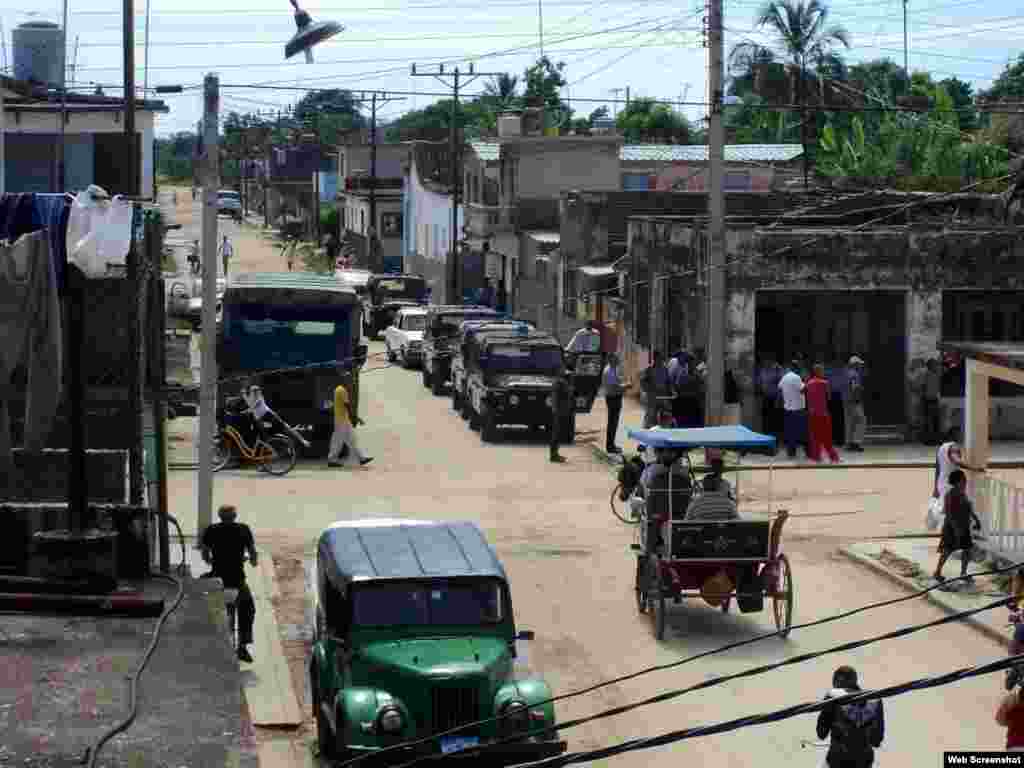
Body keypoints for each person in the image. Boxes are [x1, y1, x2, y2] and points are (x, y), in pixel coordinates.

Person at [200, 505, 258, 663]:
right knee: (248, 609)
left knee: (215, 611)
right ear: (235, 516)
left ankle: (217, 644)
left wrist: (213, 560)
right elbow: (253, 554)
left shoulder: (211, 530)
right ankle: (243, 646)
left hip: (218, 580)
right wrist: (251, 560)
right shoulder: (244, 529)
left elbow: (205, 555)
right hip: (238, 580)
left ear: (219, 516)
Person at [816, 666, 884, 768]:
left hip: (837, 762)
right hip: (864, 763)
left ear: (836, 682)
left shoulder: (833, 695)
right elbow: (877, 740)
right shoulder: (875, 699)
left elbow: (821, 734)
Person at [933, 469, 982, 583]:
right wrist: (956, 529)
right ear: (958, 481)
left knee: (967, 550)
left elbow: (968, 509)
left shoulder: (962, 493)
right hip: (952, 527)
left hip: (963, 527)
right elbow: (949, 513)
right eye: (963, 480)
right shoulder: (950, 495)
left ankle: (963, 573)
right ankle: (937, 572)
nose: (965, 482)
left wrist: (976, 520)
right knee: (947, 550)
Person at [327, 383, 373, 468]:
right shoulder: (342, 390)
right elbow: (347, 405)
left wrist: (352, 417)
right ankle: (332, 460)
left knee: (352, 439)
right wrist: (355, 417)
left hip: (343, 419)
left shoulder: (338, 389)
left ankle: (361, 458)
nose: (351, 384)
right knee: (338, 440)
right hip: (341, 420)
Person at [805, 364, 840, 463]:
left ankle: (816, 457)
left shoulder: (809, 383)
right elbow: (828, 397)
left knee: (814, 436)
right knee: (827, 436)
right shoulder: (825, 383)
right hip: (823, 413)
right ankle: (833, 457)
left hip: (812, 413)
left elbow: (803, 393)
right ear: (819, 371)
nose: (823, 372)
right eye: (822, 371)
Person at [778, 360, 808, 459]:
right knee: (803, 431)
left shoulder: (785, 377)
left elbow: (779, 389)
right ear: (797, 368)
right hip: (798, 409)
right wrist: (806, 381)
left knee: (790, 432)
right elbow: (803, 390)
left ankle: (791, 453)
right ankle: (808, 452)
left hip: (788, 409)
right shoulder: (797, 377)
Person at [641, 351, 671, 429]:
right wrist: (650, 390)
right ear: (655, 359)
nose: (661, 360)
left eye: (661, 358)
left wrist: (670, 391)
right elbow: (643, 383)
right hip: (652, 398)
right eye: (659, 358)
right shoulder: (649, 369)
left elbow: (668, 382)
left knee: (665, 417)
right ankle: (647, 431)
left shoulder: (665, 369)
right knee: (651, 417)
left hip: (663, 396)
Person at [602, 353, 625, 454]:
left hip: (613, 397)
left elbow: (616, 383)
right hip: (613, 398)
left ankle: (611, 445)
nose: (618, 360)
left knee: (613, 423)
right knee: (612, 423)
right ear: (611, 359)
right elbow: (614, 387)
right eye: (616, 358)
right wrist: (626, 386)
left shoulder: (612, 369)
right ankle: (610, 446)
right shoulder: (609, 370)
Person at [844, 356, 867, 452]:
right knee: (861, 421)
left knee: (850, 423)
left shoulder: (846, 373)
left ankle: (849, 443)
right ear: (855, 365)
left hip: (847, 401)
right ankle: (857, 442)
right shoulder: (854, 375)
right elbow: (855, 388)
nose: (860, 366)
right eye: (859, 364)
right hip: (854, 401)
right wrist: (860, 391)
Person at [997, 677, 1024, 751]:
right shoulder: (1014, 707)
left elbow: (1000, 720)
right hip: (1015, 744)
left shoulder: (1013, 707)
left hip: (1015, 744)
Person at [921, 359, 942, 445]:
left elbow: (937, 388)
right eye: (934, 365)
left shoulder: (936, 375)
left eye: (936, 365)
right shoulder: (926, 375)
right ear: (930, 366)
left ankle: (935, 439)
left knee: (935, 420)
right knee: (929, 420)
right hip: (928, 399)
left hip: (934, 399)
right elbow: (922, 386)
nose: (936, 366)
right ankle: (929, 440)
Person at [549, 376, 569, 463]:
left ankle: (555, 454)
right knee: (557, 433)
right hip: (559, 410)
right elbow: (558, 397)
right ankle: (554, 455)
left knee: (557, 432)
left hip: (559, 410)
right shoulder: (559, 383)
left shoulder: (559, 382)